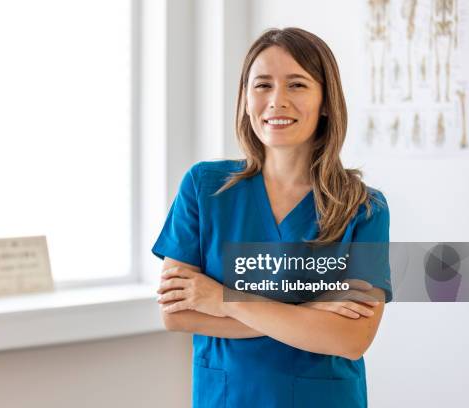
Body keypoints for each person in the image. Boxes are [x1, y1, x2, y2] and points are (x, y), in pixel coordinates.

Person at [152, 27, 391, 408]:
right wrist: (307, 315)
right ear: (246, 99)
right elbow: (177, 315)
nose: (277, 101)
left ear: (326, 101)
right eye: (262, 84)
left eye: (297, 85)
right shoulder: (203, 187)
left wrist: (223, 300)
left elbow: (350, 339)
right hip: (228, 397)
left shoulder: (363, 207)